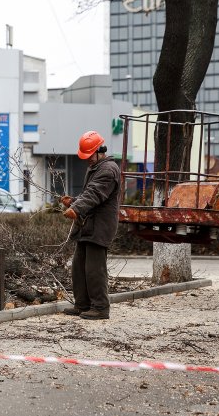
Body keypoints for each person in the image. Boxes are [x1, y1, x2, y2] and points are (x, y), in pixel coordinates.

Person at [60, 131, 121, 320]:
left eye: (88, 156)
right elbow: (90, 195)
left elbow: (95, 194)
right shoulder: (96, 167)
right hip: (88, 225)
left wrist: (76, 208)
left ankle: (101, 308)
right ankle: (83, 305)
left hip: (100, 226)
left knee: (95, 270)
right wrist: (74, 202)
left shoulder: (108, 170)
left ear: (99, 151)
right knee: (79, 267)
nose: (86, 160)